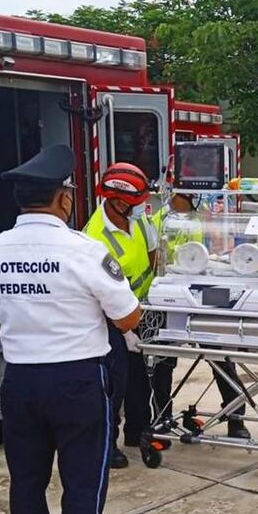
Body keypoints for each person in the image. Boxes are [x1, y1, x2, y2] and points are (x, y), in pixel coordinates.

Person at [0, 145, 140, 514]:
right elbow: (127, 318)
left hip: (20, 383)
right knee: (83, 482)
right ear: (63, 199)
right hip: (78, 383)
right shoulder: (86, 251)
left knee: (25, 481)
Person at [150, 190, 251, 439]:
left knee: (220, 358)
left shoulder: (198, 220)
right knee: (164, 360)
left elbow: (216, 246)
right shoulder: (161, 221)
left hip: (200, 294)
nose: (198, 201)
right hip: (171, 296)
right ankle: (162, 416)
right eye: (192, 196)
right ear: (176, 194)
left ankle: (235, 418)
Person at [83, 163, 157, 468]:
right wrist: (125, 331)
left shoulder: (137, 220)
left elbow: (153, 254)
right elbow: (100, 295)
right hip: (112, 321)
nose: (141, 209)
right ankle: (108, 444)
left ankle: (138, 432)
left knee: (141, 381)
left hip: (142, 311)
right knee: (114, 384)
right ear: (117, 202)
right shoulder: (95, 239)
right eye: (136, 204)